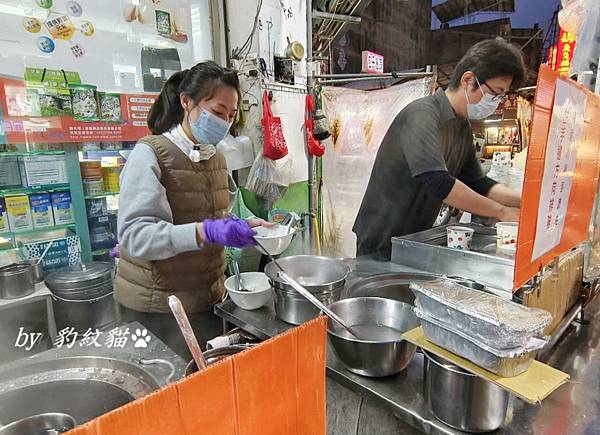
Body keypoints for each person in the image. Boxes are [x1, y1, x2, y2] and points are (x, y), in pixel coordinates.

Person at [114, 61, 270, 358]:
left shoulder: (216, 158)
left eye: (231, 115)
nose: (224, 123)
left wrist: (240, 225)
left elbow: (211, 215)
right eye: (217, 112)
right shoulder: (150, 154)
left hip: (205, 300)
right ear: (187, 101)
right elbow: (136, 237)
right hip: (157, 308)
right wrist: (209, 231)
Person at [353, 38, 525, 259]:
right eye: (495, 92)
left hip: (414, 238)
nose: (497, 102)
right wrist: (501, 212)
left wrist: (524, 201)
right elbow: (439, 183)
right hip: (381, 238)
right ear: (468, 80)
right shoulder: (422, 115)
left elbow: (478, 183)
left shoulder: (462, 127)